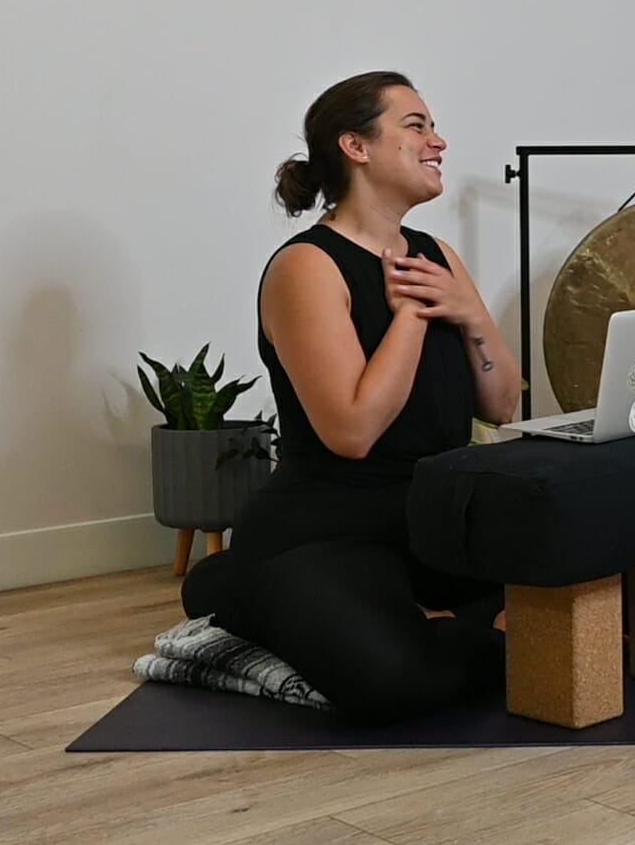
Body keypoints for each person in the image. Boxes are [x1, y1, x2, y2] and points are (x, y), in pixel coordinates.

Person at [180, 70, 523, 721]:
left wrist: (473, 316)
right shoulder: (306, 267)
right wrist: (413, 316)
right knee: (391, 679)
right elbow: (352, 430)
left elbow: (501, 405)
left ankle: (435, 622)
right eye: (416, 127)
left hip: (434, 524)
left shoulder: (437, 256)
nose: (439, 141)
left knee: (604, 601)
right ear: (355, 147)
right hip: (326, 534)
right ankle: (254, 588)